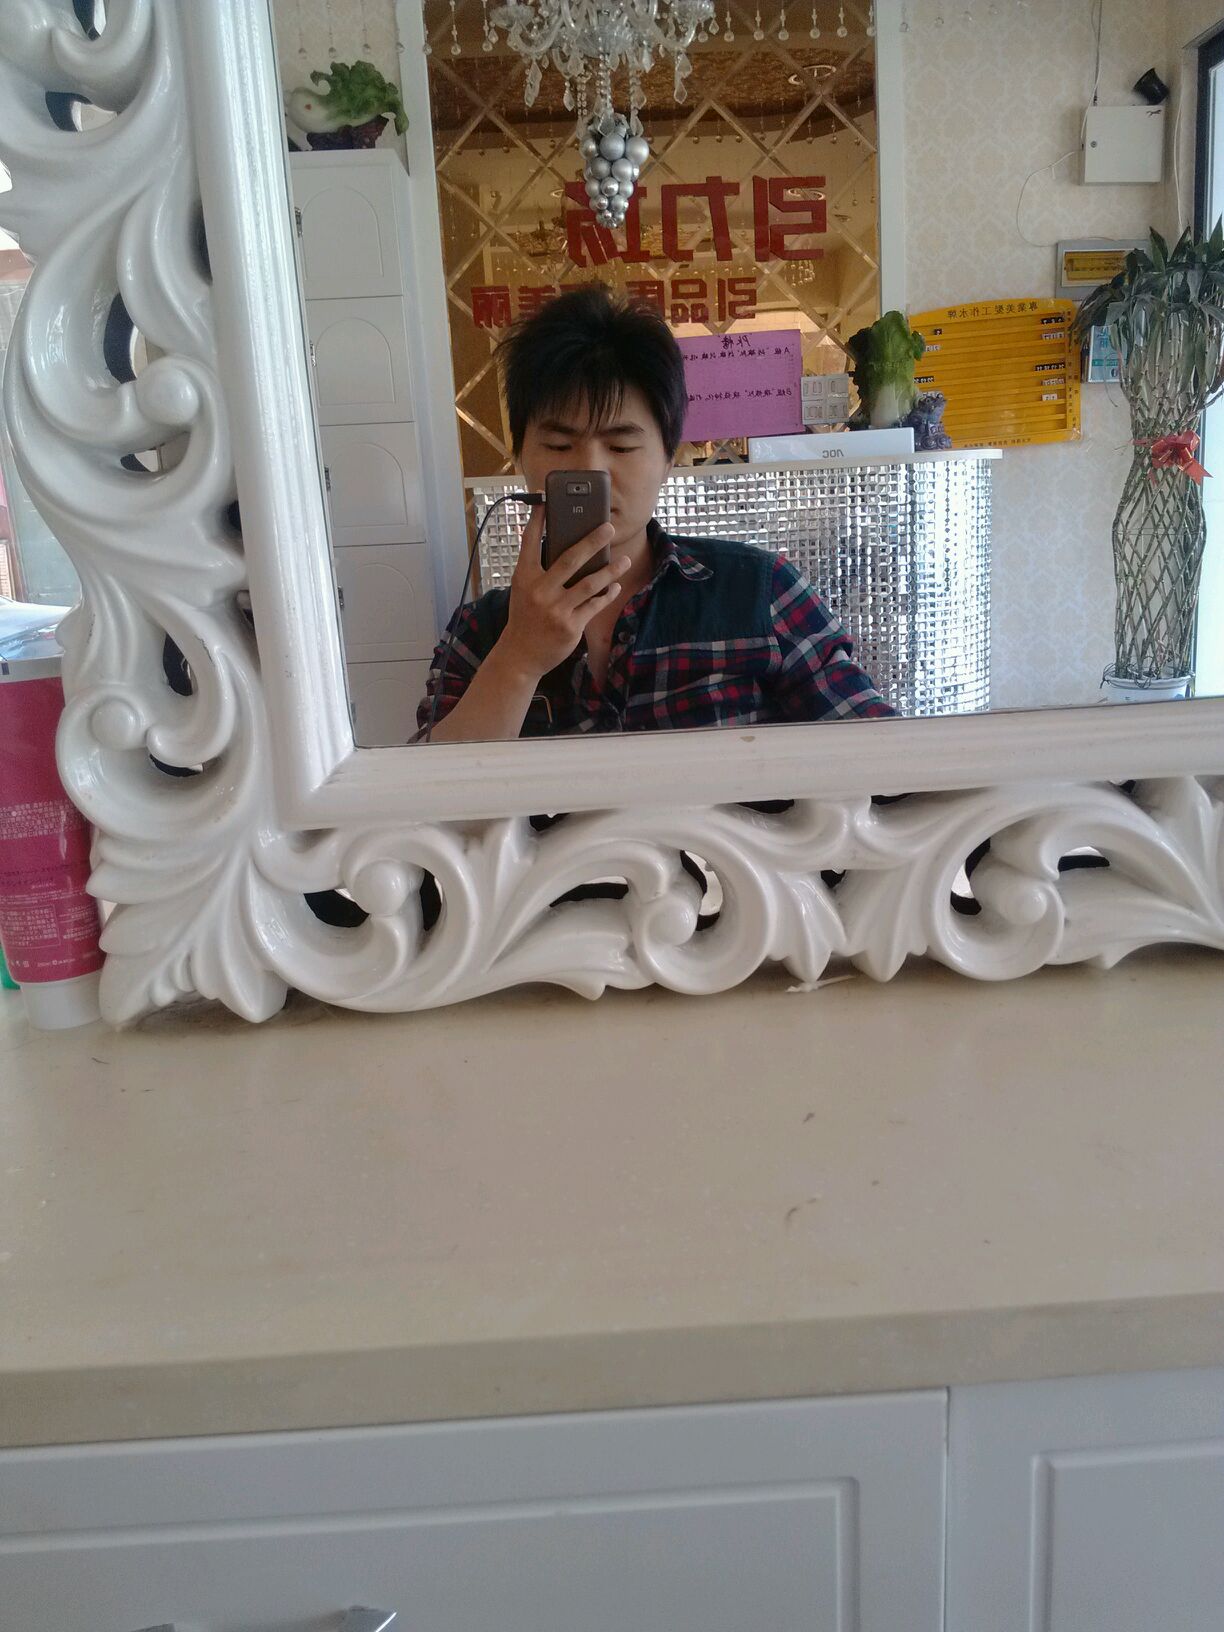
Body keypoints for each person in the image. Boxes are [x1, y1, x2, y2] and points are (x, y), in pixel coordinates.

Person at [418, 284, 894, 741]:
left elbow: (885, 755)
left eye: (622, 446)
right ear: (521, 457)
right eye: (559, 445)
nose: (591, 470)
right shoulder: (480, 632)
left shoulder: (761, 594)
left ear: (668, 459)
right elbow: (424, 788)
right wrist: (518, 659)